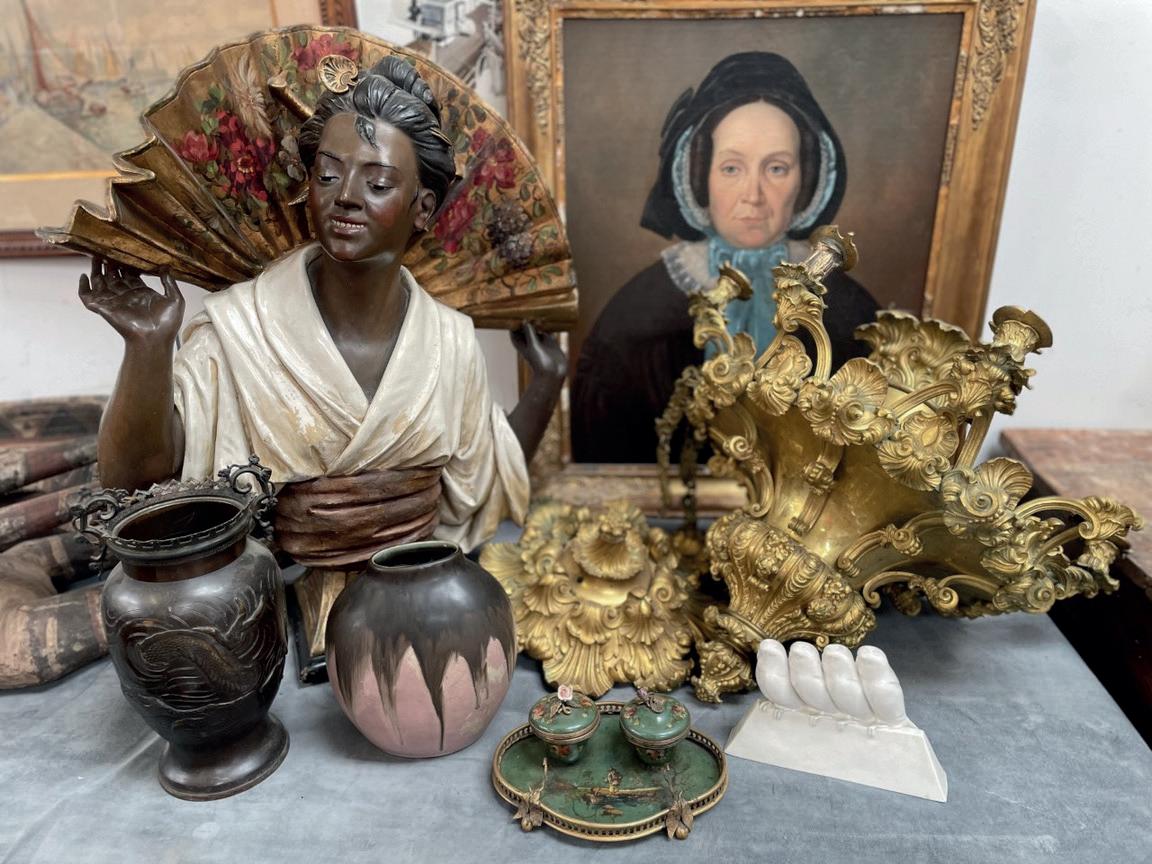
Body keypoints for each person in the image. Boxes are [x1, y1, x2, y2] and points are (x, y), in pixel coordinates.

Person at [78, 57, 566, 561]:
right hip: (275, 594)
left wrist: (547, 382)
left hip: (418, 591)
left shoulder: (451, 342)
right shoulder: (240, 332)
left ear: (422, 208)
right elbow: (135, 484)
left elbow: (481, 488)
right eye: (328, 175)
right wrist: (148, 346)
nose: (347, 196)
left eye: (378, 184)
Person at [571, 52, 878, 463]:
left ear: (807, 180)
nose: (753, 195)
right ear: (700, 176)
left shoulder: (850, 313)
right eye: (732, 169)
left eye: (776, 169)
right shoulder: (635, 316)